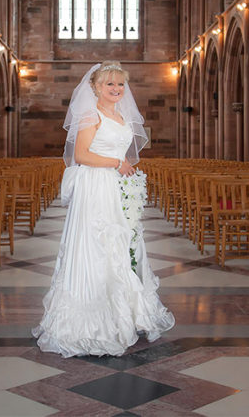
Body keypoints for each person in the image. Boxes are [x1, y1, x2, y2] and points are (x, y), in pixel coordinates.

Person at [33, 61, 174, 357]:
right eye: (110, 84)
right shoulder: (89, 114)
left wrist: (125, 172)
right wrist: (115, 163)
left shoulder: (120, 115)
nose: (116, 89)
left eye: (120, 84)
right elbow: (82, 155)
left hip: (116, 186)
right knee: (98, 246)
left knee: (123, 245)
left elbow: (121, 152)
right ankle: (92, 323)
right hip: (95, 187)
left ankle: (123, 313)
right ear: (96, 87)